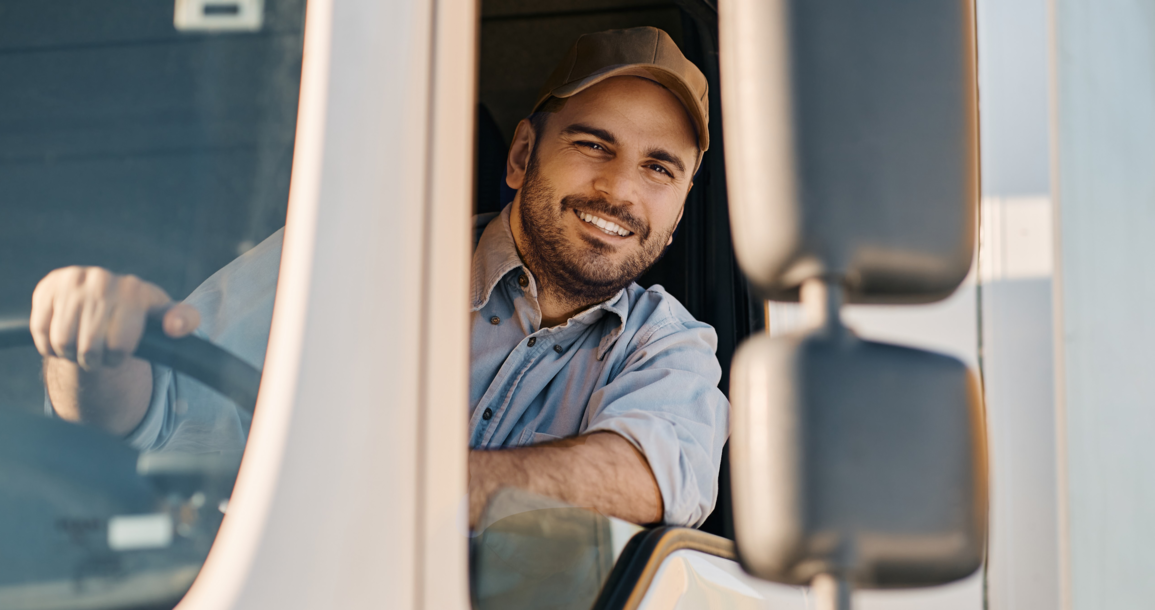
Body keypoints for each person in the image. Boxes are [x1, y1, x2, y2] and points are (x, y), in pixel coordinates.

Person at [27, 27, 727, 529]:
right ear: (520, 156)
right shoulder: (350, 259)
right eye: (592, 144)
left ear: (677, 213)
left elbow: (650, 479)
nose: (618, 190)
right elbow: (157, 411)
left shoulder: (670, 347)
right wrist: (88, 349)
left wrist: (387, 492)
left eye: (658, 168)